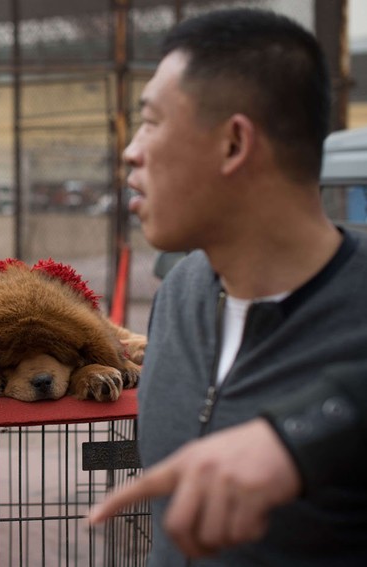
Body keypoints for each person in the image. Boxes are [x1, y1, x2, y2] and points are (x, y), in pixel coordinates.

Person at [88, 8, 367, 566]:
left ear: (234, 144)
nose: (131, 150)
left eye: (151, 121)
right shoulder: (180, 294)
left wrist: (297, 437)